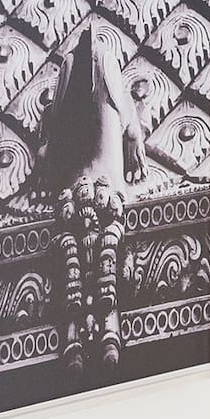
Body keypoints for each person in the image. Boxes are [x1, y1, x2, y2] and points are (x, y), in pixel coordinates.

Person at [34, 23, 147, 377]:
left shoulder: (74, 65)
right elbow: (125, 120)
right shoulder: (100, 64)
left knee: (80, 254)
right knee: (97, 251)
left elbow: (49, 146)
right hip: (99, 187)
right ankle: (102, 331)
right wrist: (134, 133)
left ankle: (80, 334)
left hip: (81, 188)